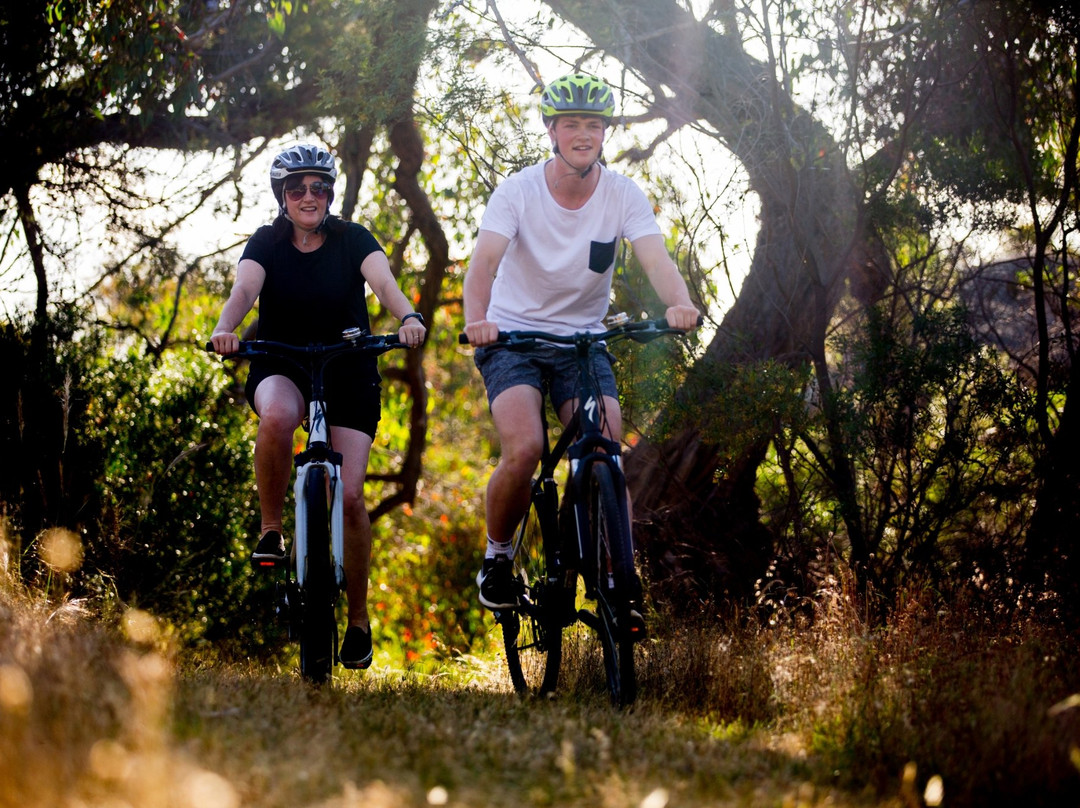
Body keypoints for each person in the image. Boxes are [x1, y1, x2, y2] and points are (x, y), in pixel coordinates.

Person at [462, 73, 700, 612]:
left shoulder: (622, 194)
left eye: (593, 124)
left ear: (605, 132)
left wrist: (679, 303)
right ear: (551, 130)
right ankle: (497, 555)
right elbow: (481, 268)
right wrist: (478, 321)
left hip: (583, 345)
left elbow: (657, 260)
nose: (583, 134)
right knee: (525, 448)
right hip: (513, 339)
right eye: (571, 124)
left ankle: (619, 579)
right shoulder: (518, 191)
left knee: (606, 446)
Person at [210, 143, 426, 670]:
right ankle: (272, 529)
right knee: (279, 416)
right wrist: (225, 327)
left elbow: (384, 283)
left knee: (350, 497)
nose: (309, 196)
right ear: (281, 196)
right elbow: (244, 289)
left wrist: (407, 317)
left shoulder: (353, 238)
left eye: (319, 187)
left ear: (330, 194)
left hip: (348, 368)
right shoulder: (266, 242)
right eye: (296, 189)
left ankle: (358, 620)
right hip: (282, 362)